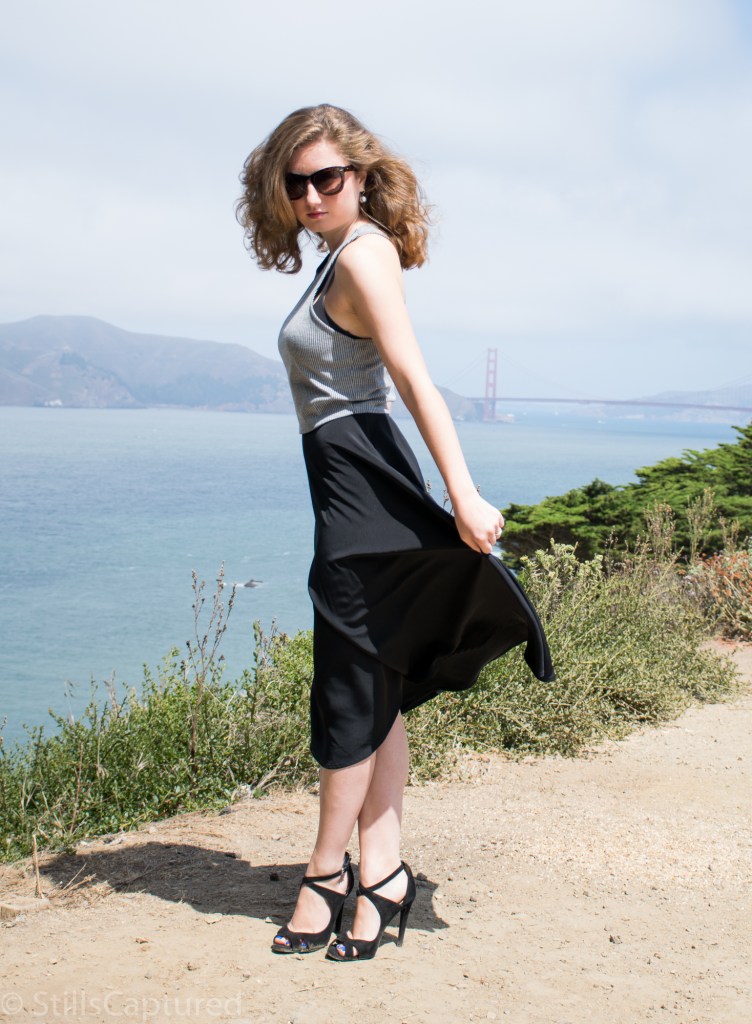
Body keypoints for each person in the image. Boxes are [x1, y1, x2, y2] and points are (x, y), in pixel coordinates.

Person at [236, 104, 553, 963]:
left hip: (363, 494)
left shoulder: (366, 256)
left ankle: (324, 875)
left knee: (348, 689)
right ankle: (383, 874)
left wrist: (464, 492)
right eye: (295, 181)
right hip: (348, 486)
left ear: (362, 178)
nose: (310, 195)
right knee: (372, 678)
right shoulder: (339, 255)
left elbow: (414, 381)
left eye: (327, 179)